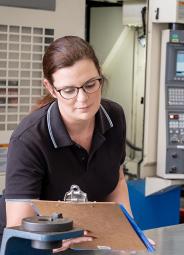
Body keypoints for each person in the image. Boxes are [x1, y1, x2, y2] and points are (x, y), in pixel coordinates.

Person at [0, 36, 132, 250]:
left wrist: (127, 237)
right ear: (51, 89)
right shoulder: (29, 139)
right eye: (69, 90)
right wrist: (62, 241)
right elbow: (19, 232)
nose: (83, 99)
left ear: (100, 76)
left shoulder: (114, 116)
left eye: (90, 84)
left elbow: (116, 182)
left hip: (84, 244)